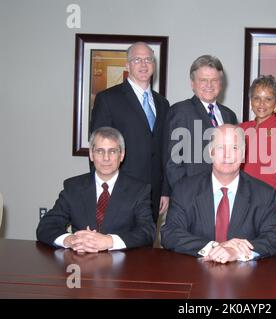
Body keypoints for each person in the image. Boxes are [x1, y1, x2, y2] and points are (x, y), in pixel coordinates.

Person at [161, 124, 276, 263]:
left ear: (243, 153)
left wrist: (236, 251)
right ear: (210, 152)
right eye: (221, 147)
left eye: (234, 148)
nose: (227, 155)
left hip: (245, 280)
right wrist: (214, 247)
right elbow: (170, 233)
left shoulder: (264, 194)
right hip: (195, 276)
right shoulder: (184, 189)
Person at [37, 127, 155, 252]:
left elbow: (147, 231)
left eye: (113, 151)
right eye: (99, 151)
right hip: (80, 264)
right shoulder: (73, 187)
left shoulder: (139, 190)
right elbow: (46, 226)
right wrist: (71, 240)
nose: (106, 158)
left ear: (122, 155)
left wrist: (109, 241)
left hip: (122, 266)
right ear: (91, 155)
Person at [90, 42, 170, 224]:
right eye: (137, 59)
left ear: (154, 64)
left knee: (146, 248)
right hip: (120, 190)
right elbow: (97, 149)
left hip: (154, 193)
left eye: (148, 59)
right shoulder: (108, 99)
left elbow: (165, 150)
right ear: (127, 65)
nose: (143, 64)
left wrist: (165, 190)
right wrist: (102, 190)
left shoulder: (163, 104)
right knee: (116, 247)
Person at [166, 55, 238, 189]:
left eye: (214, 80)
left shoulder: (229, 116)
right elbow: (173, 162)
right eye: (203, 80)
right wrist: (185, 196)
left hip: (223, 194)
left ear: (221, 83)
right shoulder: (180, 111)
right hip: (192, 195)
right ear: (192, 83)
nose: (209, 85)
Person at [240, 75, 276, 231]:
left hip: (268, 212)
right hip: (239, 211)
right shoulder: (240, 129)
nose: (261, 104)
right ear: (251, 101)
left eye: (268, 99)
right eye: (257, 98)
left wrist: (257, 205)